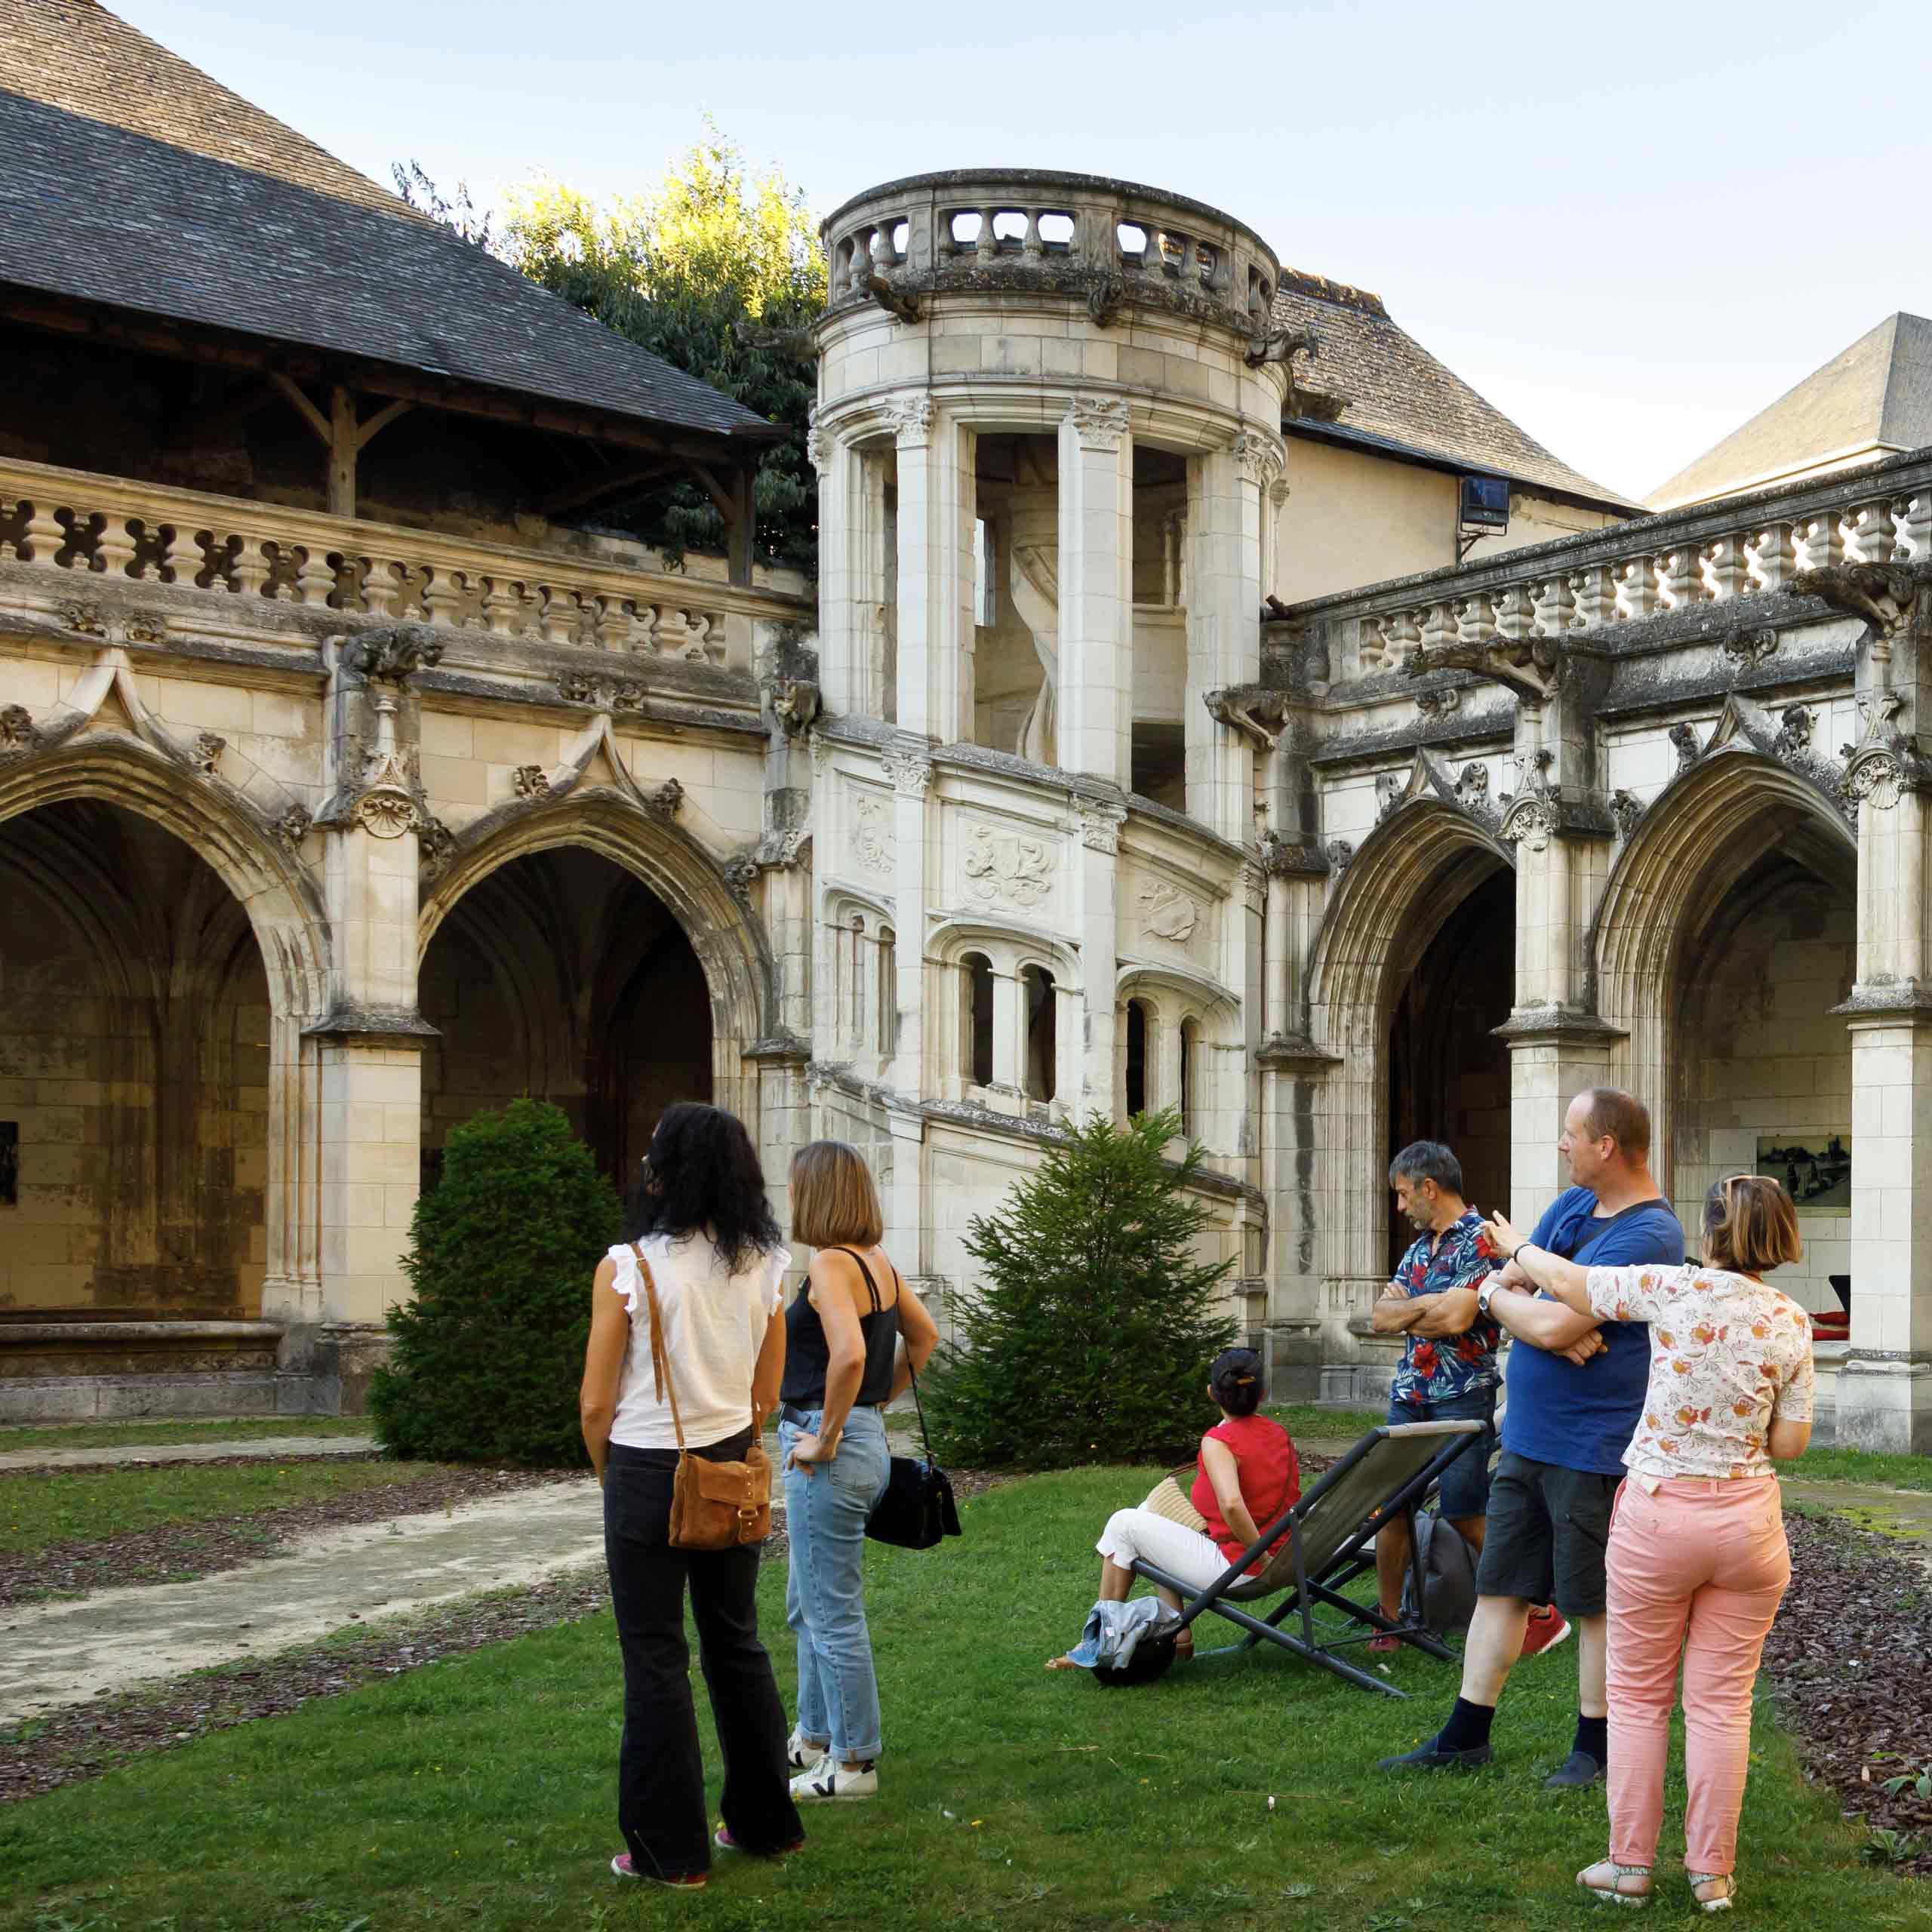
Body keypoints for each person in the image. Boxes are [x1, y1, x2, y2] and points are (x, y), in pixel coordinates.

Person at [1483, 1174, 1813, 1912]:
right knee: (1722, 1706)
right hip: (1748, 1526)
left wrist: (1517, 1249)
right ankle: (1712, 1877)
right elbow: (1789, 1442)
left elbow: (1573, 1283)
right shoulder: (1792, 1321)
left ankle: (1628, 1866)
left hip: (1660, 1516)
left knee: (1636, 1699)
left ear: (1710, 1234)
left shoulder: (1673, 1288)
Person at [1379, 1088, 1684, 1789]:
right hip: (1528, 1435)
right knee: (1502, 1586)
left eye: (1571, 1134)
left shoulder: (1651, 1234)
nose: (1561, 1145)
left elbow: (1538, 1316)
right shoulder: (1576, 1206)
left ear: (1606, 1145)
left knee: (1591, 1601)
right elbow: (1510, 1278)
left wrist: (1525, 1308)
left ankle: (1594, 1748)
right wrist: (1536, 1302)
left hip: (1593, 1445)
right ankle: (1464, 1738)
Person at [577, 1102, 803, 1889]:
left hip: (645, 1466)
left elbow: (595, 1404)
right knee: (735, 1643)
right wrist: (729, 1436)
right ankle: (766, 1823)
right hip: (730, 1461)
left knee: (655, 1657)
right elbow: (766, 1391)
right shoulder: (765, 1264)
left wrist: (613, 1477)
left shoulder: (628, 1266)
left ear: (664, 1171)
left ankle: (668, 1850)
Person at [780, 1140, 940, 1803]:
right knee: (806, 1603)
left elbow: (846, 1356)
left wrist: (828, 1434)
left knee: (833, 1614)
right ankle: (815, 1735)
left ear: (814, 1194)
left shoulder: (828, 1265)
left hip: (833, 1447)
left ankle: (853, 1766)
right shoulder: (877, 1263)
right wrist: (877, 1403)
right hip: (866, 1440)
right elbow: (925, 1338)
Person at [1048, 1349, 1298, 1668]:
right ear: (1262, 1394)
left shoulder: (1219, 1441)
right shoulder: (1278, 1434)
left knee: (1124, 1523)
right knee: (1148, 1511)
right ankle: (1178, 1638)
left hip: (1242, 1566)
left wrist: (1261, 1556)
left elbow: (1233, 1505)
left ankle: (1100, 1642)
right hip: (1283, 1554)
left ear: (1211, 1393)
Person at [1368, 1140, 1503, 1652]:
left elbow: (1459, 1318)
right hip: (1411, 1392)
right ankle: (1389, 1621)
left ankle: (1526, 1606)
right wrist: (1430, 1306)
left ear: (1429, 1187)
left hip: (1463, 1393)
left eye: (1404, 1195)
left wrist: (1415, 1310)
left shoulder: (1482, 1241)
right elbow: (1380, 1316)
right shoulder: (1419, 1248)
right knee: (1392, 1506)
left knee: (1466, 1508)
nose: (1400, 1208)